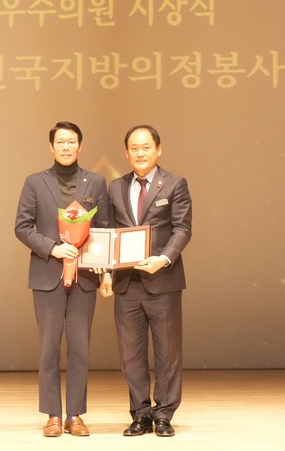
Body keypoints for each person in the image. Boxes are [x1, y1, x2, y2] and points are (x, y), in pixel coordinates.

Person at [14, 121, 110, 437]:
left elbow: (104, 229)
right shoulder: (34, 182)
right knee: (48, 349)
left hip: (85, 277)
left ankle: (75, 415)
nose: (66, 147)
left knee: (80, 349)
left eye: (71, 141)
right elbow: (22, 227)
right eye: (60, 142)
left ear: (80, 146)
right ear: (51, 147)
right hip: (47, 276)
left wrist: (105, 270)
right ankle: (53, 415)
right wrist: (53, 248)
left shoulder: (96, 182)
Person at [99, 124, 192, 437]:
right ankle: (140, 414)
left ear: (158, 149)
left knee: (168, 353)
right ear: (126, 153)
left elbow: (182, 229)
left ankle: (164, 414)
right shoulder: (115, 187)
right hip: (127, 284)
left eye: (146, 147)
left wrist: (163, 259)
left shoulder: (175, 183)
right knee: (131, 355)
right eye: (134, 148)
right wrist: (106, 272)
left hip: (163, 281)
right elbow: (109, 233)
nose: (140, 153)